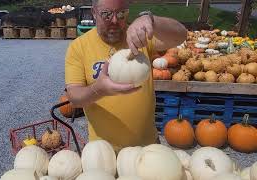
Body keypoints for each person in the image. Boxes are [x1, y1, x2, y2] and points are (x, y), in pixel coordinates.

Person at [65, 0, 187, 151]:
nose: (115, 21)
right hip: (105, 152)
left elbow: (180, 36)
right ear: (94, 13)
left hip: (147, 146)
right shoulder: (78, 47)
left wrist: (151, 20)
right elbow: (74, 97)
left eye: (122, 13)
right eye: (106, 14)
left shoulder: (140, 38)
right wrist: (100, 89)